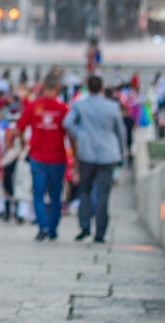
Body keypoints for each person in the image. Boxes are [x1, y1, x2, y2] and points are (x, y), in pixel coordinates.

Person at [64, 75, 126, 243]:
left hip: (87, 153)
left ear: (87, 87)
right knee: (103, 193)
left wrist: (81, 135)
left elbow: (67, 123)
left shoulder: (79, 105)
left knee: (84, 190)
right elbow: (120, 132)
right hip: (108, 154)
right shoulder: (112, 106)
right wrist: (122, 153)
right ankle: (100, 231)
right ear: (102, 88)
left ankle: (84, 226)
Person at [17, 72, 69, 241]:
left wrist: (23, 142)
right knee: (55, 196)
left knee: (38, 194)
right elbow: (71, 133)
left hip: (37, 157)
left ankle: (43, 227)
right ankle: (52, 229)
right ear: (58, 88)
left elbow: (19, 127)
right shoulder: (63, 108)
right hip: (57, 158)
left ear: (43, 86)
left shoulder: (33, 106)